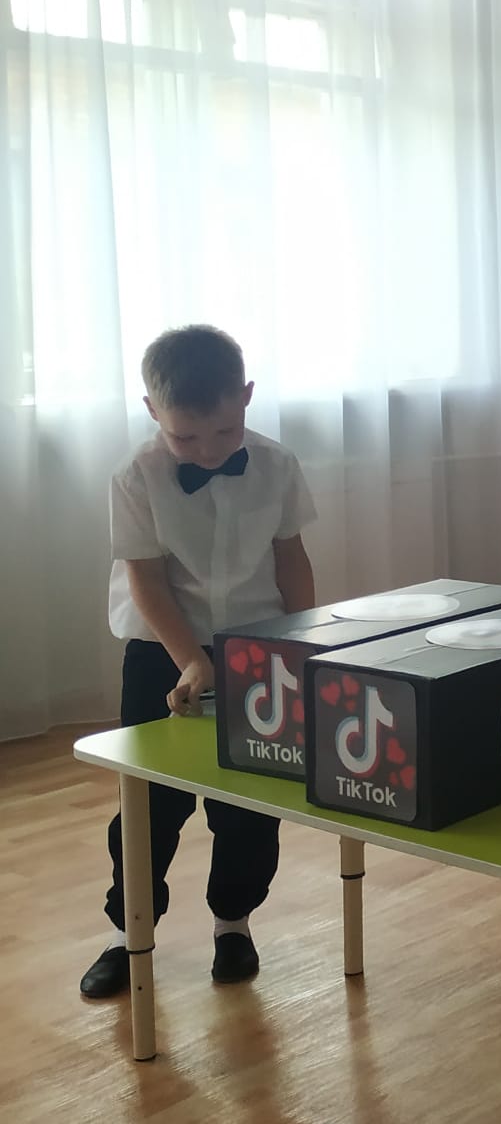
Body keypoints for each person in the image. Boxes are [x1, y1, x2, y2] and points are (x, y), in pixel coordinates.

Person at [80, 326, 316, 998]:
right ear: (152, 410)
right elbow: (146, 583)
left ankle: (233, 923)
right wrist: (191, 660)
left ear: (247, 396)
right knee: (150, 803)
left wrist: (299, 648)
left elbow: (291, 561)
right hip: (161, 650)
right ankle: (128, 932)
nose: (209, 451)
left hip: (257, 647)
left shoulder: (277, 464)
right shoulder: (135, 477)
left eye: (224, 432)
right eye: (186, 438)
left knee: (250, 801)